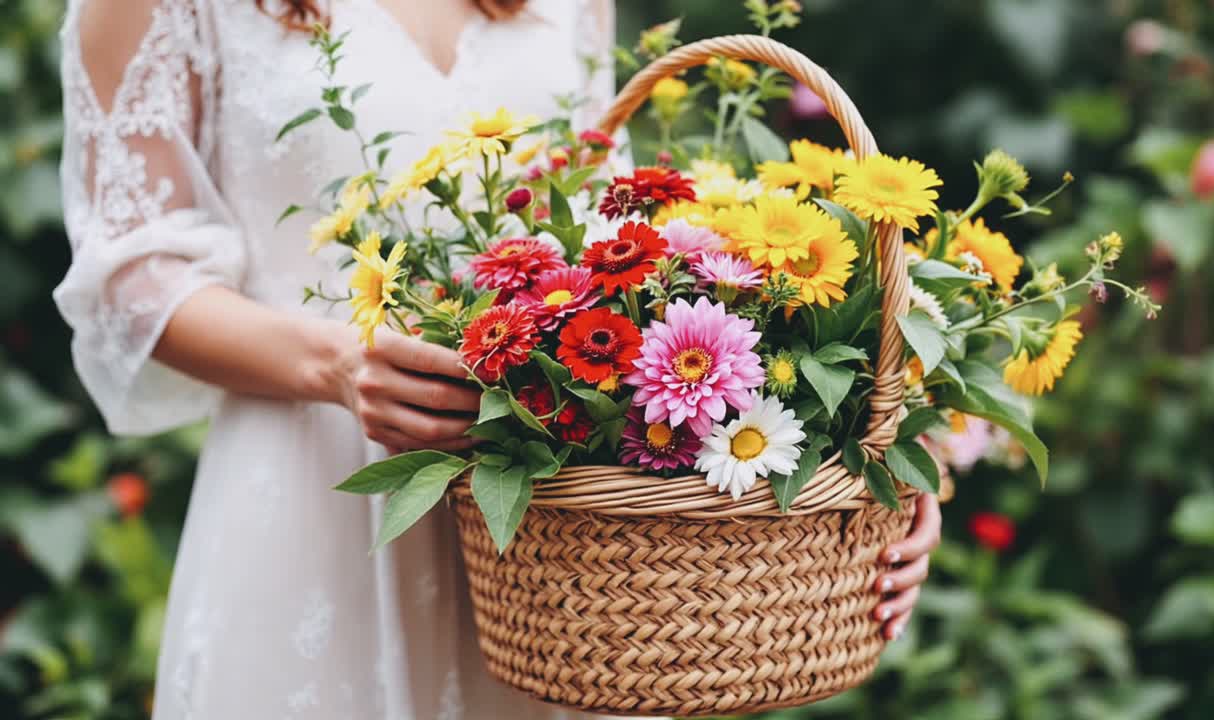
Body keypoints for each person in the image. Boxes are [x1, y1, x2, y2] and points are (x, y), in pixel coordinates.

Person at [53, 0, 942, 717]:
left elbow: (619, 249)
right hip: (312, 493)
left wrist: (869, 469)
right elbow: (129, 274)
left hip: (559, 538)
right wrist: (336, 364)